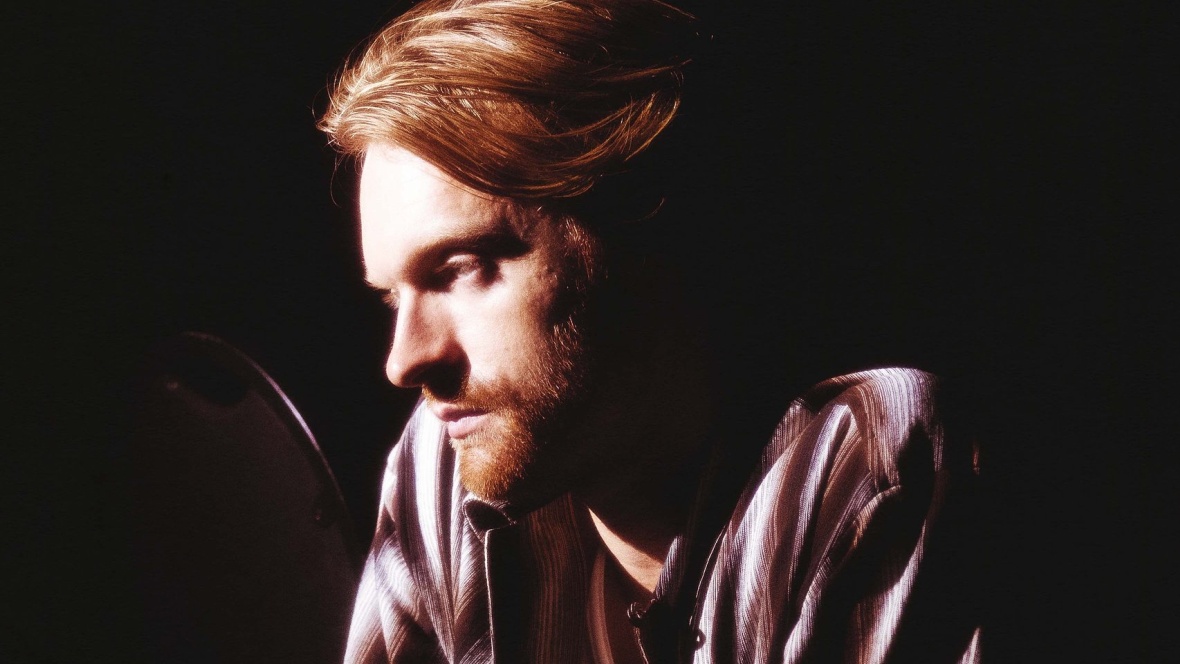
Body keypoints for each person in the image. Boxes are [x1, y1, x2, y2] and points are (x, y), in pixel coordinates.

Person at [318, 1, 984, 662]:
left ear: (634, 222)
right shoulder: (440, 468)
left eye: (461, 270)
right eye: (393, 297)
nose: (405, 361)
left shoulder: (863, 465)